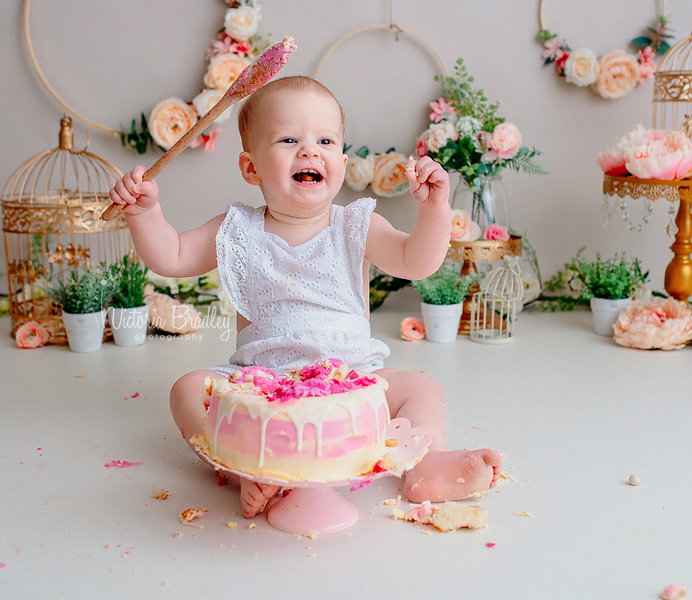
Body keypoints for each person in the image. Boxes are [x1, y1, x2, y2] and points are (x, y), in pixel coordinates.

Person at [108, 76, 502, 518]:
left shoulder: (355, 225)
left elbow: (417, 261)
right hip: (262, 387)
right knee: (186, 391)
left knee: (422, 388)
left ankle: (425, 464)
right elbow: (173, 255)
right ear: (251, 168)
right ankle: (250, 472)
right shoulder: (238, 230)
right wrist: (145, 214)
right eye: (289, 139)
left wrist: (434, 210)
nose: (310, 151)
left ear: (341, 158)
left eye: (326, 140)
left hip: (354, 381)